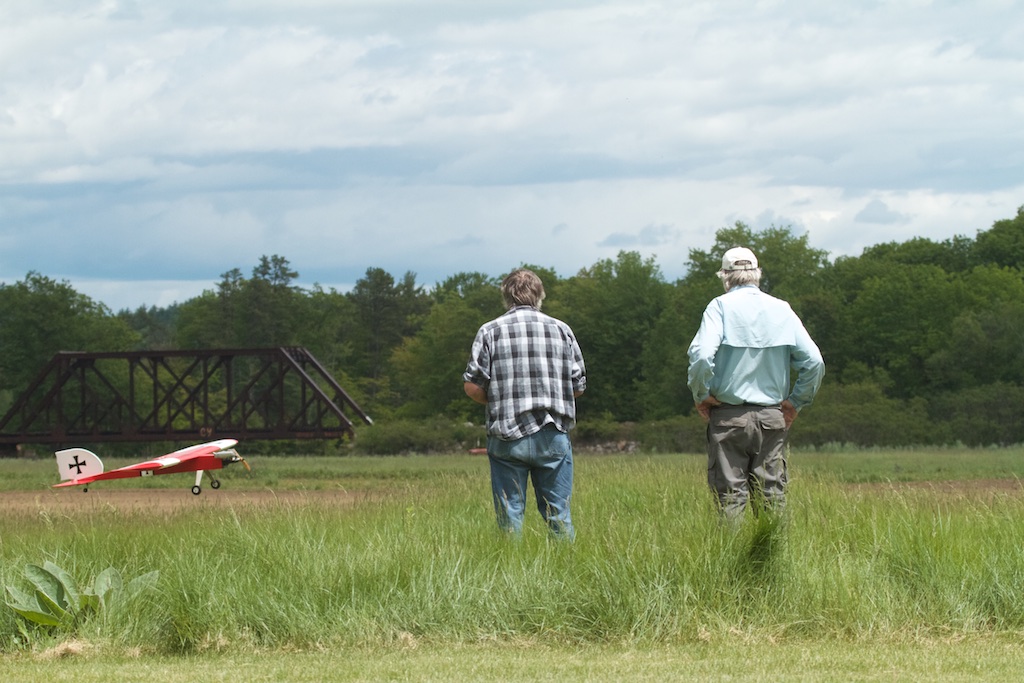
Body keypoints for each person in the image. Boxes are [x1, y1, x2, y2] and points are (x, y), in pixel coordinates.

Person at [687, 247, 824, 518]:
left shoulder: (719, 307)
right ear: (757, 274)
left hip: (728, 417)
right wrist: (795, 402)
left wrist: (701, 394)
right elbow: (815, 362)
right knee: (772, 497)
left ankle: (732, 548)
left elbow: (702, 356)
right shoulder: (781, 308)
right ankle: (772, 547)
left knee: (730, 498)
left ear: (725, 276)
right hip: (772, 417)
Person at [463, 268, 587, 539]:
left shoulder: (489, 331)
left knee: (510, 517)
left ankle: (511, 565)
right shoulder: (561, 330)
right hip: (552, 434)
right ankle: (566, 562)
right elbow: (578, 387)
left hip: (507, 436)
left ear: (506, 296)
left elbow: (472, 386)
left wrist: (499, 398)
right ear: (540, 295)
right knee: (559, 516)